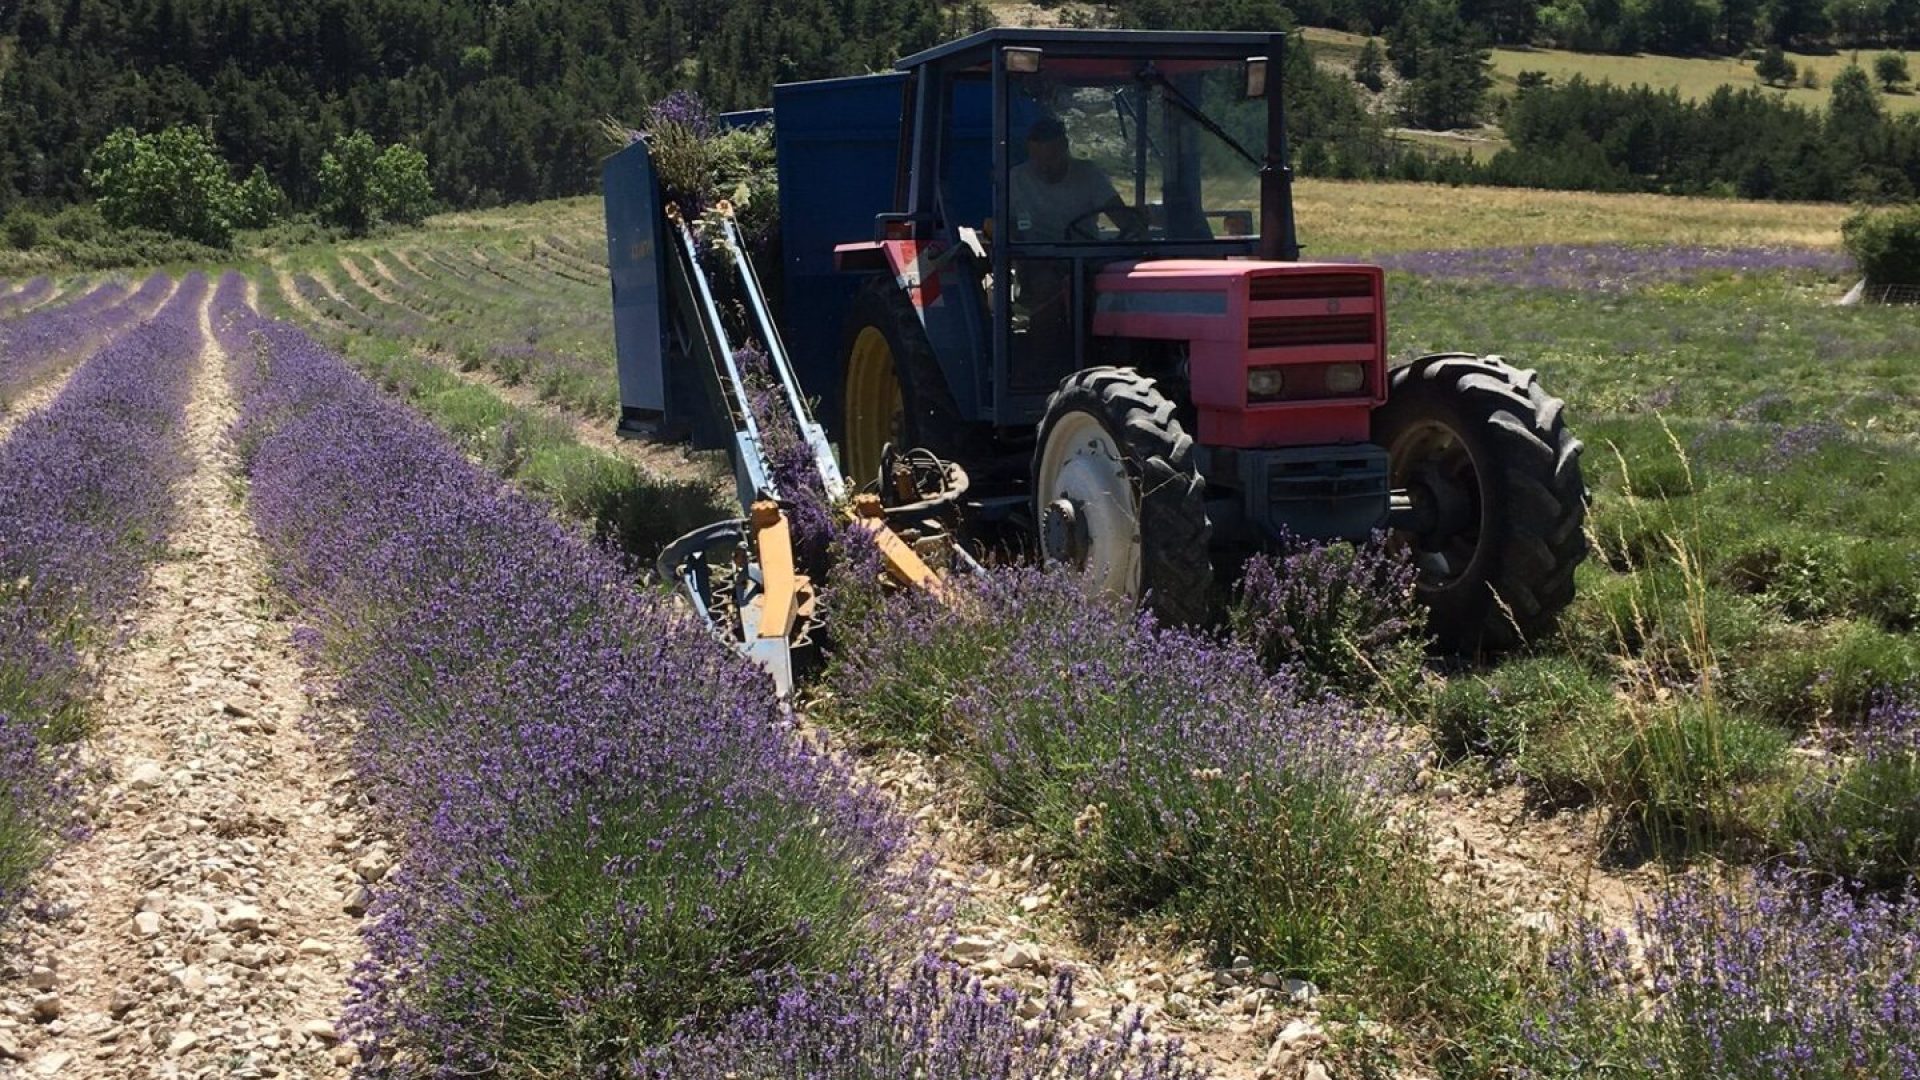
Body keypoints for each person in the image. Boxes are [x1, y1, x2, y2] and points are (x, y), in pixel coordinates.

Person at [1008, 116, 1145, 242]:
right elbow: (1005, 229)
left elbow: (1123, 219)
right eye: (1037, 159)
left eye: (1051, 159)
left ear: (1065, 148)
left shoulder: (1088, 174)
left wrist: (1134, 229)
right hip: (1035, 261)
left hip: (1083, 259)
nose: (1044, 167)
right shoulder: (1016, 179)